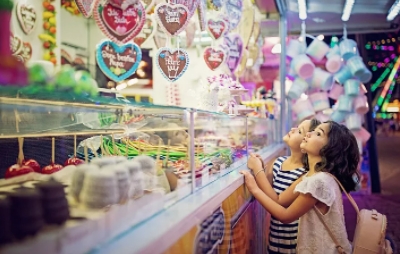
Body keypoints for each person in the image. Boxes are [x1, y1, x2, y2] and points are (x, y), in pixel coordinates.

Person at [242, 121, 360, 254]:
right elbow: (280, 201)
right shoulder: (318, 177)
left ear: (329, 148)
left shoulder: (318, 182)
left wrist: (255, 189)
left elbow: (286, 216)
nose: (309, 133)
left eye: (318, 133)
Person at [253, 118, 320, 254]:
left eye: (299, 131)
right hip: (275, 236)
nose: (293, 129)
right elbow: (267, 188)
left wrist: (257, 171)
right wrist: (260, 168)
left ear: (305, 143)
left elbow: (279, 201)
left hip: (293, 242)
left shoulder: (305, 174)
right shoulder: (279, 162)